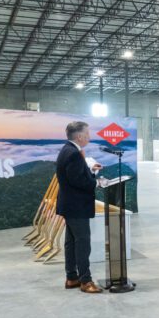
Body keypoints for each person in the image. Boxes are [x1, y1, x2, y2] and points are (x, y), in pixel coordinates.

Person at [56, 121, 103, 293]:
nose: (89, 137)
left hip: (69, 204)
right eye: (88, 134)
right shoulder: (74, 154)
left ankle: (71, 277)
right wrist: (96, 182)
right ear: (80, 136)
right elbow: (79, 181)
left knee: (71, 242)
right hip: (76, 206)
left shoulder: (67, 149)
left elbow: (75, 177)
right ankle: (85, 281)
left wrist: (90, 172)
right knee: (83, 243)